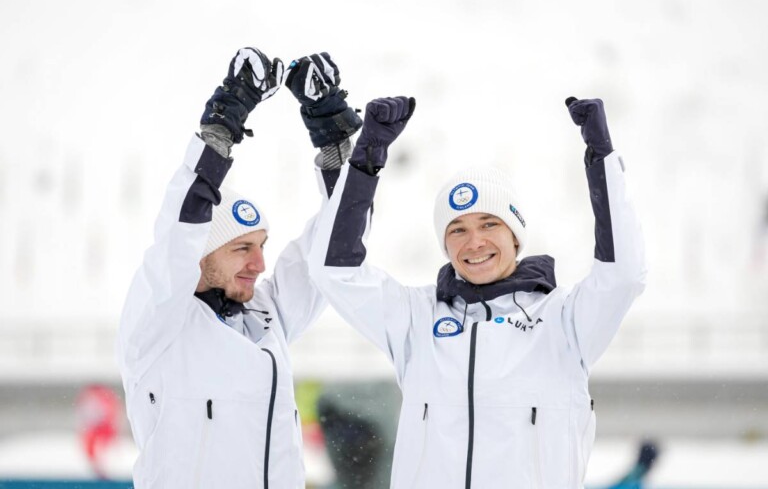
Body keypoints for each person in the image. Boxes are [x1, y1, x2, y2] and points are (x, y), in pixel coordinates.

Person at [307, 96, 646, 487]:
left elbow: (623, 275)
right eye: (457, 230)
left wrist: (601, 160)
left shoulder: (565, 320)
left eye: (489, 224)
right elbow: (335, 271)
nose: (474, 243)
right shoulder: (418, 319)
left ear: (515, 234)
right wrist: (366, 161)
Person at [117, 47, 362, 488]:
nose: (259, 263)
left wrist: (337, 147)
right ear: (200, 253)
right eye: (241, 248)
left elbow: (332, 251)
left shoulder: (266, 315)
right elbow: (179, 229)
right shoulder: (158, 322)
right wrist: (221, 127)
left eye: (261, 246)